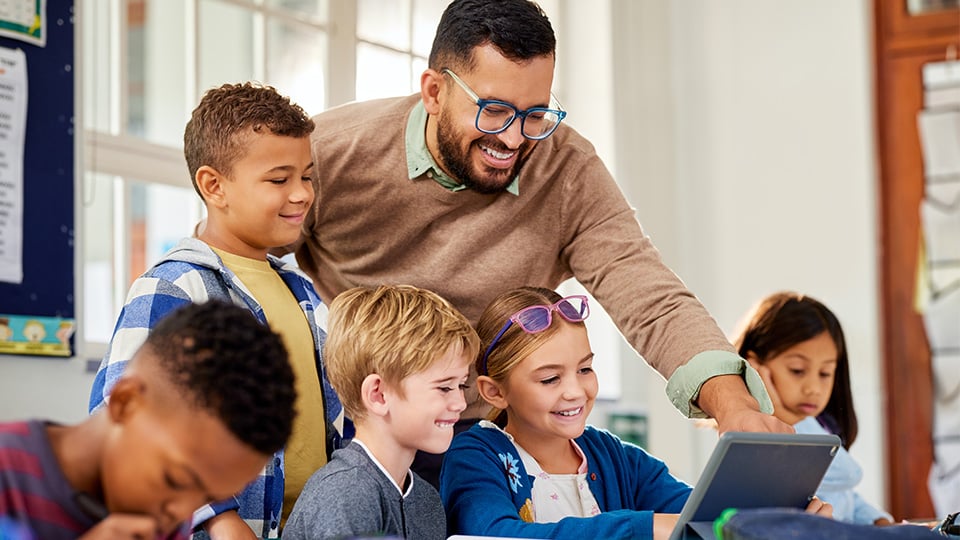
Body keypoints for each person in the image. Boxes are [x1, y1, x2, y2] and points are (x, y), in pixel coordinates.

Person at [291, 0, 784, 484]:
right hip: (355, 431)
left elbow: (649, 295)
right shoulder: (331, 152)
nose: (512, 140)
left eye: (535, 115)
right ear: (434, 92)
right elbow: (241, 275)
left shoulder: (566, 169)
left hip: (489, 437)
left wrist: (732, 406)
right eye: (493, 110)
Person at [88, 82, 345, 539]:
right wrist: (217, 517)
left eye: (307, 176)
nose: (303, 194)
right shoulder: (174, 286)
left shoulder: (305, 295)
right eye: (279, 179)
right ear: (214, 186)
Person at [439, 287, 831, 539]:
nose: (575, 391)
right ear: (495, 391)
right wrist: (645, 526)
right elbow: (493, 535)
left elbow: (701, 514)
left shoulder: (615, 457)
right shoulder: (476, 456)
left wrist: (782, 518)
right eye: (549, 379)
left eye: (585, 369)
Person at [0, 301, 296, 540]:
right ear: (126, 402)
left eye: (207, 497)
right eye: (174, 480)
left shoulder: (162, 519)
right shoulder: (8, 473)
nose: (179, 513)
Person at [283, 285, 480, 540]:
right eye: (444, 387)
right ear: (378, 394)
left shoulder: (426, 501)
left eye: (461, 385)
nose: (461, 403)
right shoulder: (346, 493)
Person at [732, 291, 894, 526]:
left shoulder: (822, 424)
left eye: (825, 373)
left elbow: (844, 496)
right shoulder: (756, 442)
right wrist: (785, 418)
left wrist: (880, 522)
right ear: (755, 367)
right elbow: (849, 475)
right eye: (797, 370)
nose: (814, 388)